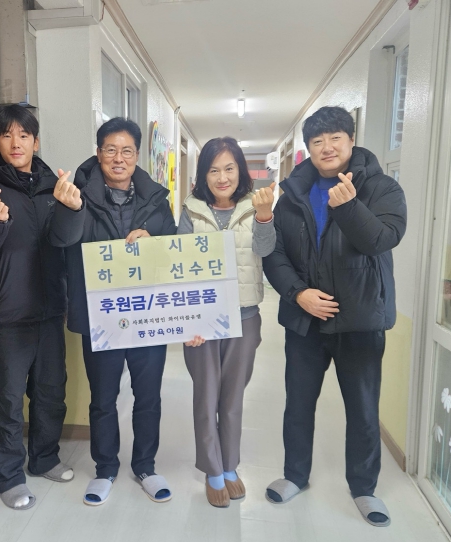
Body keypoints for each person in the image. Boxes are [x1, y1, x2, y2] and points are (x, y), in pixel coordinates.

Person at [262, 106, 407, 527]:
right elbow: (274, 253)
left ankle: (364, 488)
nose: (327, 147)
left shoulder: (381, 188)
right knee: (297, 404)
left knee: (363, 409)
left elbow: (382, 239)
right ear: (308, 148)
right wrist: (298, 294)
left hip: (360, 320)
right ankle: (295, 475)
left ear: (351, 140)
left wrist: (349, 207)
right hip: (305, 320)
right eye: (317, 141)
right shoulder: (292, 194)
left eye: (335, 138)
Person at [0, 105, 85, 510]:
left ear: (36, 141)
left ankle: (44, 457)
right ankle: (9, 477)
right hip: (6, 315)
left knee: (50, 392)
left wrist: (72, 209)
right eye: (7, 135)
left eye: (24, 135)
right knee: (8, 401)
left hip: (50, 311)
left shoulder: (53, 188)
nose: (16, 143)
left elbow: (64, 241)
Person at [65, 117, 177, 506]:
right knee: (103, 398)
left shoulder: (157, 201)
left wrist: (154, 240)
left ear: (137, 155)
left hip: (148, 315)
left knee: (148, 396)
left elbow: (172, 251)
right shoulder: (77, 197)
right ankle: (105, 469)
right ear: (98, 153)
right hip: (102, 316)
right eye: (110, 149)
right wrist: (68, 210)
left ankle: (145, 465)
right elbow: (63, 242)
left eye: (126, 150)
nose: (118, 158)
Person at [179, 137, 276, 508]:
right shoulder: (191, 209)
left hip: (245, 316)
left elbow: (266, 251)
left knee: (233, 397)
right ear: (204, 175)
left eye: (229, 168)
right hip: (203, 320)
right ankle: (213, 470)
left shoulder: (256, 205)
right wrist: (188, 321)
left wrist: (264, 217)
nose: (222, 177)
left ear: (241, 170)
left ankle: (230, 466)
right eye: (214, 170)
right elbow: (180, 263)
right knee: (206, 396)